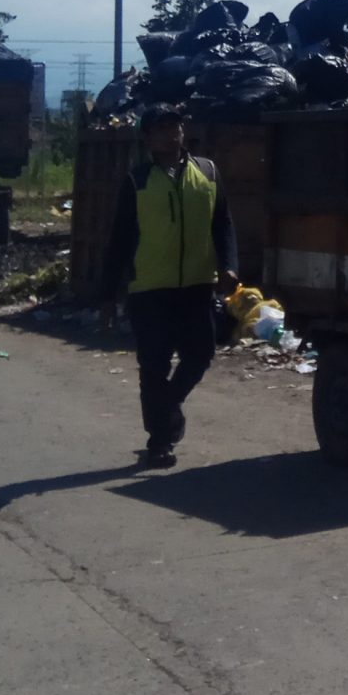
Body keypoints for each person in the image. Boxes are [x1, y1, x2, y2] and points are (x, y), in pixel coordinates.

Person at [103, 105, 239, 468]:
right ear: (147, 138)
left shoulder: (207, 172)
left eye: (175, 126)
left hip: (197, 284)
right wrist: (108, 295)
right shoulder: (138, 181)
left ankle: (169, 405)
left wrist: (228, 265)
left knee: (201, 354)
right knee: (154, 366)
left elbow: (222, 224)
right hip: (150, 288)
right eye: (161, 128)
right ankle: (159, 441)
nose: (171, 133)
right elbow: (119, 240)